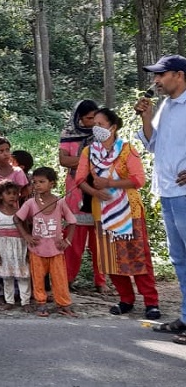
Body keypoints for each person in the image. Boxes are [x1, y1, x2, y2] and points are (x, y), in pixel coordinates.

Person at [76, 108, 160, 320]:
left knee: (138, 256)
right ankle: (126, 299)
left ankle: (151, 302)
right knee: (110, 258)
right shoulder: (89, 152)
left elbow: (138, 180)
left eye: (101, 124)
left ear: (113, 127)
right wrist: (95, 191)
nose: (97, 128)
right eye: (94, 124)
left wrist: (110, 183)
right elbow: (79, 180)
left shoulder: (127, 149)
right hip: (102, 211)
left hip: (129, 211)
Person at [135, 54, 186, 343]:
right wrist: (145, 116)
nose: (156, 80)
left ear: (178, 75)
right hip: (167, 191)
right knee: (180, 259)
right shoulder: (166, 106)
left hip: (184, 194)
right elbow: (152, 144)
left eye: (161, 75)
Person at [14, 167, 77, 317]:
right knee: (38, 278)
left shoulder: (60, 202)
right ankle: (41, 304)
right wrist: (27, 236)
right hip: (37, 249)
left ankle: (64, 304)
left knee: (59, 278)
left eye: (42, 182)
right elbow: (17, 219)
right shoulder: (30, 203)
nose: (37, 185)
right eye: (34, 182)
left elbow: (72, 222)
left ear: (52, 184)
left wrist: (67, 241)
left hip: (56, 249)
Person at [59, 99, 106, 293]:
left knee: (100, 242)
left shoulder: (103, 135)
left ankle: (101, 282)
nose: (93, 122)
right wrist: (89, 158)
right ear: (79, 117)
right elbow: (64, 160)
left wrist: (80, 162)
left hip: (99, 191)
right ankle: (67, 279)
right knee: (73, 241)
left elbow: (109, 158)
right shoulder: (68, 134)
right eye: (88, 118)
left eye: (96, 118)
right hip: (76, 191)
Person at [0, 180, 31, 312]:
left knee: (23, 274)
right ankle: (9, 300)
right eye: (8, 193)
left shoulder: (21, 212)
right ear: (1, 195)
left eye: (15, 193)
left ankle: (25, 301)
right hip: (4, 247)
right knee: (7, 276)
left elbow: (26, 231)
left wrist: (28, 250)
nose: (12, 196)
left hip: (20, 246)